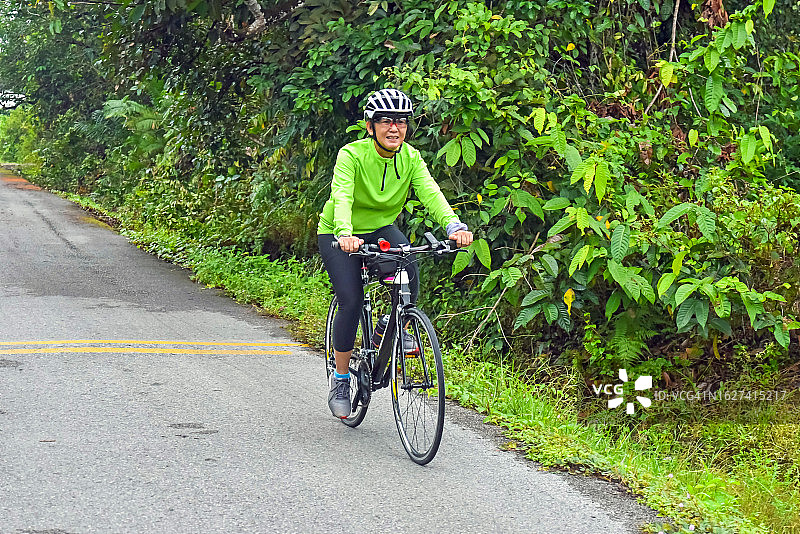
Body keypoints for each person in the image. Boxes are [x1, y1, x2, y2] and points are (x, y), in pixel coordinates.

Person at [317, 88, 473, 418]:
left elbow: (431, 193)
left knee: (408, 266)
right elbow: (342, 195)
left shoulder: (411, 158)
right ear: (370, 126)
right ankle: (341, 380)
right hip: (338, 232)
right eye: (385, 121)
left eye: (400, 121)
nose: (394, 128)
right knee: (351, 300)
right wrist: (345, 233)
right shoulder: (352, 155)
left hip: (380, 228)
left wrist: (453, 225)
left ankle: (392, 325)